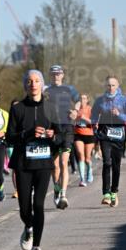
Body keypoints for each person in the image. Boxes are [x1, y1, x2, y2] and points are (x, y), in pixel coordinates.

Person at [6, 70, 62, 250]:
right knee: (24, 208)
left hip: (44, 163)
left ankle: (37, 247)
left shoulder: (52, 108)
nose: (33, 84)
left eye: (37, 81)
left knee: (38, 204)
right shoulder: (18, 109)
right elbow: (9, 138)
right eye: (29, 81)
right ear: (25, 86)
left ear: (42, 84)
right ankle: (28, 227)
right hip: (23, 163)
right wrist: (28, 133)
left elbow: (61, 136)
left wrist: (52, 136)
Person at [90, 76, 126, 207]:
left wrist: (120, 115)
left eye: (113, 85)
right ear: (105, 86)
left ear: (117, 86)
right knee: (107, 162)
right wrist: (95, 126)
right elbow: (93, 115)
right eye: (108, 85)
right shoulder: (100, 101)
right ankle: (105, 194)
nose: (110, 88)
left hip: (118, 136)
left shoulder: (124, 100)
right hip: (105, 135)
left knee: (116, 165)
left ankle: (114, 191)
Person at [45, 65, 80, 210]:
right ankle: (57, 189)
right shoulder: (45, 90)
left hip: (67, 128)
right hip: (52, 129)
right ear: (50, 75)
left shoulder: (69, 89)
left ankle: (64, 195)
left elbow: (78, 100)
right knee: (54, 166)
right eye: (53, 74)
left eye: (58, 74)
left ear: (62, 75)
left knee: (64, 163)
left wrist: (76, 111)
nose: (56, 76)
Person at [73, 92, 95, 186]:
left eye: (84, 98)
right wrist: (75, 113)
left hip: (89, 135)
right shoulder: (76, 109)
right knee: (81, 156)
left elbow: (94, 122)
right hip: (78, 135)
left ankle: (89, 172)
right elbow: (71, 120)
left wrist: (84, 118)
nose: (82, 100)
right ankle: (82, 179)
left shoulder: (90, 109)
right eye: (81, 98)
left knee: (87, 159)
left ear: (87, 100)